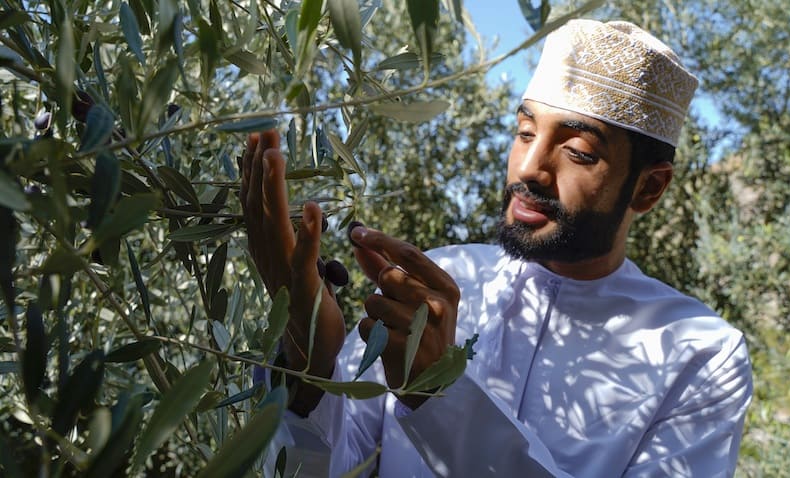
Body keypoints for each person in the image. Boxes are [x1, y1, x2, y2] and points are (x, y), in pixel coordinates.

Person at [240, 18, 753, 477]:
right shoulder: (441, 278)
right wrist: (311, 362)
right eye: (525, 131)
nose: (530, 167)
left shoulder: (701, 354)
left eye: (577, 151)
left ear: (648, 188)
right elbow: (325, 468)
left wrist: (440, 397)